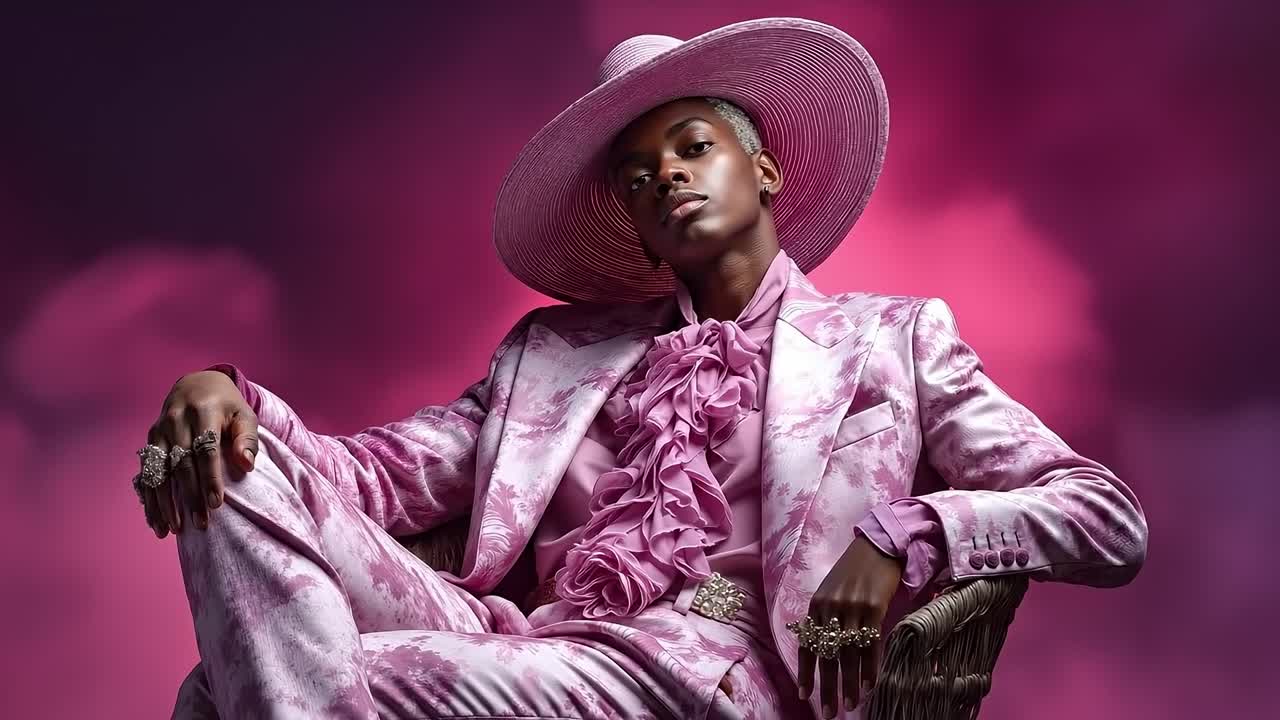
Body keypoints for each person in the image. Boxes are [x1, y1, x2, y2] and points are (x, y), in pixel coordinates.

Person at [139, 17, 1148, 720]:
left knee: (225, 690)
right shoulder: (556, 353)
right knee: (233, 463)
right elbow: (371, 478)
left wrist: (900, 534)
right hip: (521, 640)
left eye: (691, 146)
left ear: (761, 169)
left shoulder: (890, 339)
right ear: (631, 218)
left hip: (717, 667)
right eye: (636, 173)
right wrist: (224, 394)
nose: (662, 173)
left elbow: (1100, 515)